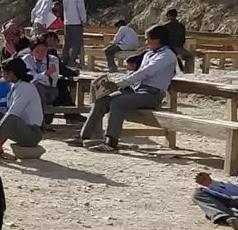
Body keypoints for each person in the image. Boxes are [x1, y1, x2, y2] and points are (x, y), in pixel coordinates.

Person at [67, 24, 177, 152]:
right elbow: (136, 73)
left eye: (148, 39)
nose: (146, 42)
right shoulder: (149, 54)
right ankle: (85, 136)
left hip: (151, 94)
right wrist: (116, 83)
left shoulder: (167, 55)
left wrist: (119, 84)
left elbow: (146, 72)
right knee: (102, 100)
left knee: (118, 102)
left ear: (157, 40)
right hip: (135, 90)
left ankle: (111, 143)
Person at [0, 58, 44, 161]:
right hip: (18, 128)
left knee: (11, 118)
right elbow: (6, 109)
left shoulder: (25, 88)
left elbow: (13, 113)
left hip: (31, 132)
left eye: (4, 72)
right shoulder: (14, 86)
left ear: (11, 73)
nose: (2, 75)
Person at [22, 36, 59, 125]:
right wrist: (46, 73)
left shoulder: (53, 60)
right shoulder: (27, 59)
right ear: (31, 52)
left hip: (49, 90)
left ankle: (40, 123)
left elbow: (52, 79)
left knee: (38, 88)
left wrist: (39, 77)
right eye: (37, 51)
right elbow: (30, 76)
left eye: (44, 50)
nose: (41, 53)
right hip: (31, 89)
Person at [62, 0, 86, 67]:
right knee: (76, 42)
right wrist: (83, 19)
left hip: (67, 22)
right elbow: (81, 7)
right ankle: (72, 61)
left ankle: (65, 59)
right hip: (76, 22)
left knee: (67, 42)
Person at [163, 8, 192, 73]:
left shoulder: (164, 26)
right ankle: (187, 71)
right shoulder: (181, 26)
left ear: (168, 16)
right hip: (178, 48)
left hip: (167, 48)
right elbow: (183, 39)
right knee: (189, 56)